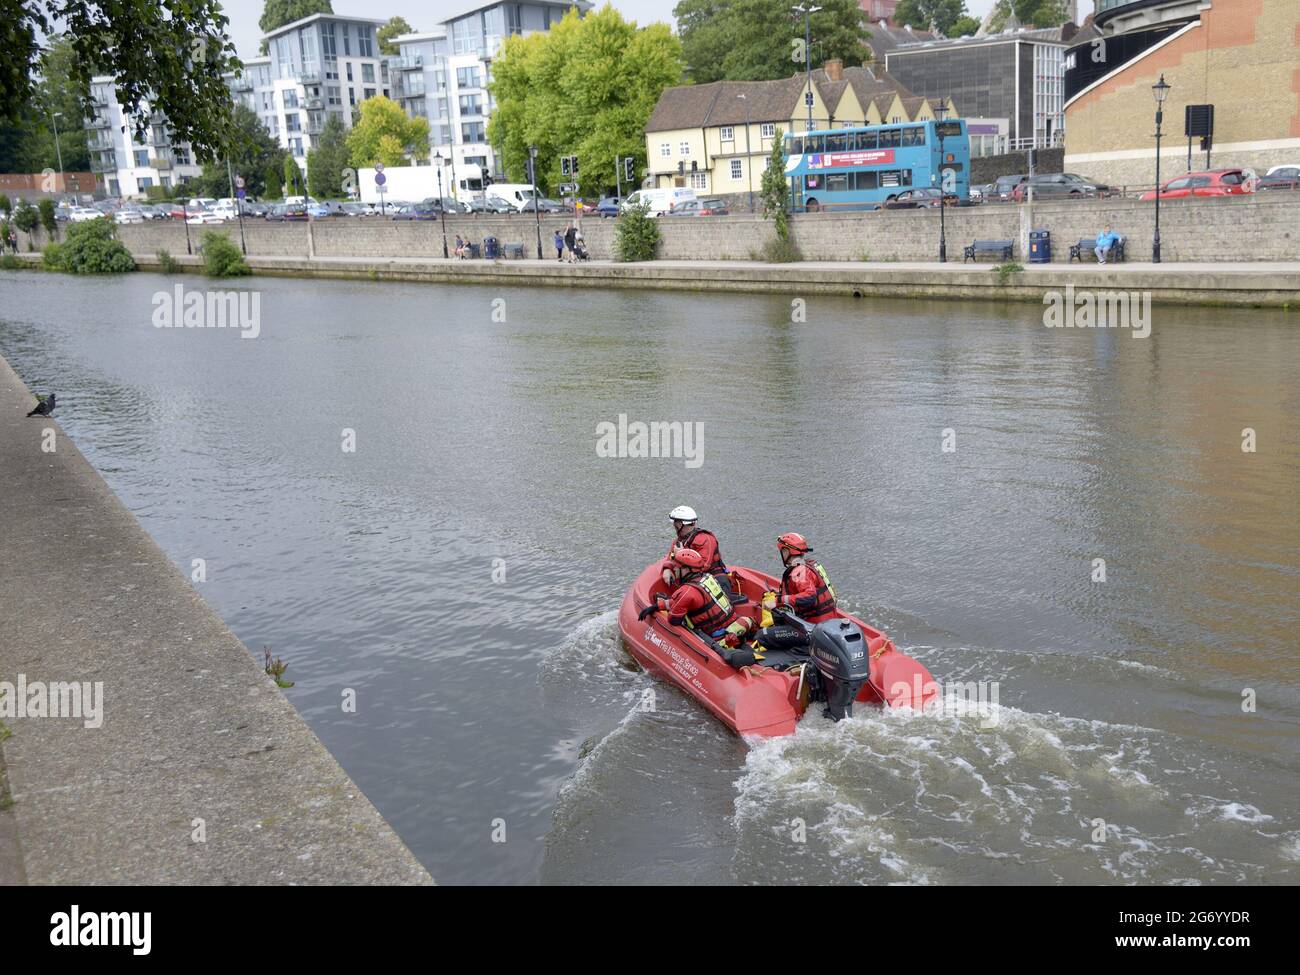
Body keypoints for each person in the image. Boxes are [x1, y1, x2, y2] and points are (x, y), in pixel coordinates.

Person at [638, 548, 752, 650]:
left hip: (719, 639)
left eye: (677, 567)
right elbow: (686, 601)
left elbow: (674, 620)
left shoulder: (686, 592)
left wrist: (663, 608)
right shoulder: (708, 578)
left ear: (686, 570)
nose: (675, 570)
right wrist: (657, 606)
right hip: (736, 626)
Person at [754, 533, 838, 653]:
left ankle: (803, 651)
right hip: (828, 626)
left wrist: (777, 601)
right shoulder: (811, 566)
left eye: (783, 551)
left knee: (763, 635)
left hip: (812, 630)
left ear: (788, 552)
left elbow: (809, 596)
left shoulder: (798, 572)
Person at [667, 505, 728, 587]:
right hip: (691, 580)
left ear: (681, 524)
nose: (674, 524)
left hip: (714, 581)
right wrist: (667, 569)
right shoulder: (678, 541)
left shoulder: (706, 540)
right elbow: (670, 558)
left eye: (676, 522)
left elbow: (704, 566)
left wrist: (681, 555)